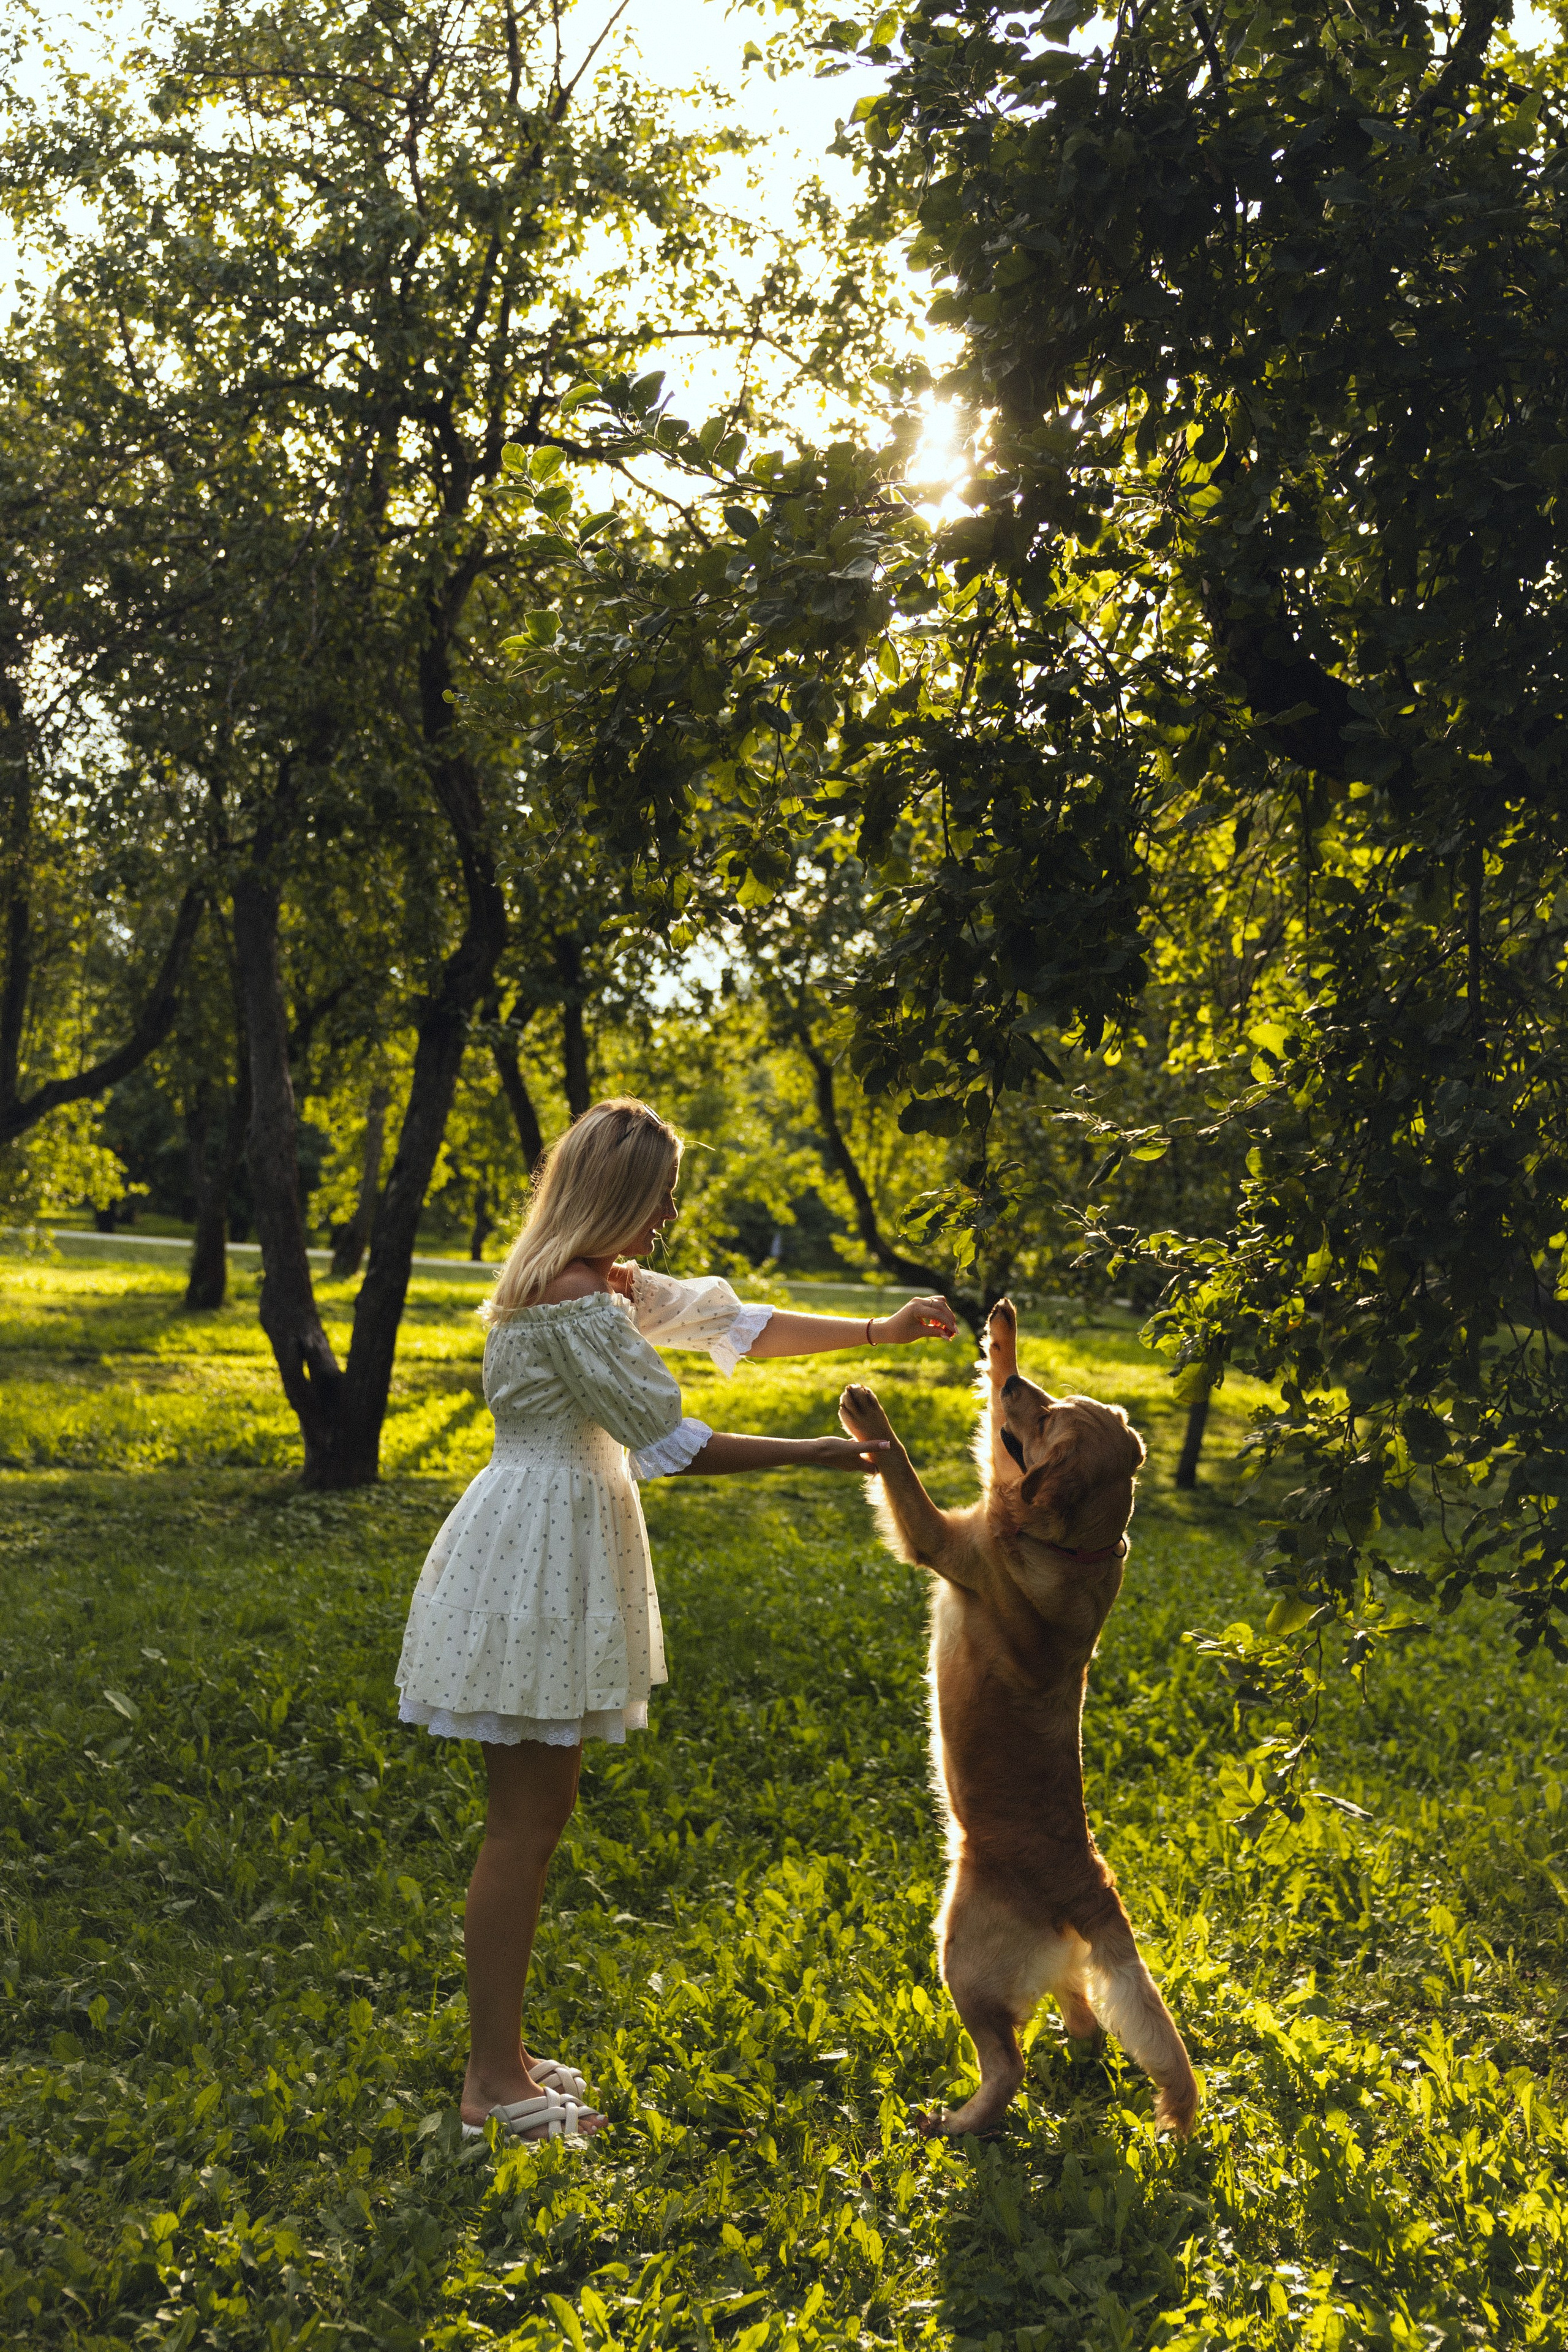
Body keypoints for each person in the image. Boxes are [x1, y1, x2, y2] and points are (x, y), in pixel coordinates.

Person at [395, 1096, 958, 2143]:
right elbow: (674, 1440)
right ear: (612, 1195)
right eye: (655, 1201)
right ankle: (489, 2089)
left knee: (538, 1816)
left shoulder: (592, 1281)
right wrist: (821, 1456)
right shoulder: (572, 1298)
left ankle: (505, 2057)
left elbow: (728, 1322)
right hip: (537, 1554)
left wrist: (882, 1329)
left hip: (548, 1545)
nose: (664, 1222)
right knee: (522, 1828)